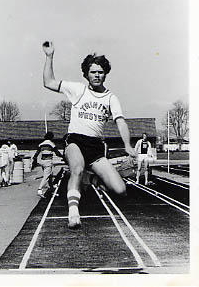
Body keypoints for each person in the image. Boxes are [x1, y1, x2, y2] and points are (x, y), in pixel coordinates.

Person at [42, 41, 136, 229]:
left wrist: (127, 145)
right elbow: (49, 82)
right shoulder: (78, 89)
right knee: (76, 168)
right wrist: (49, 57)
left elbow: (120, 121)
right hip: (75, 140)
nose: (97, 75)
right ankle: (73, 212)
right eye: (93, 72)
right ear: (86, 74)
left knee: (120, 190)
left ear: (105, 74)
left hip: (95, 147)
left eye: (100, 72)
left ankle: (89, 178)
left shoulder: (111, 98)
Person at [32, 131, 64, 198]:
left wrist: (34, 161)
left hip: (42, 162)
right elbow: (57, 153)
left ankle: (52, 191)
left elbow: (36, 154)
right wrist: (63, 157)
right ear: (51, 137)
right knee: (46, 176)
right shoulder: (51, 144)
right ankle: (40, 190)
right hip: (48, 161)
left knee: (49, 177)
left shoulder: (41, 144)